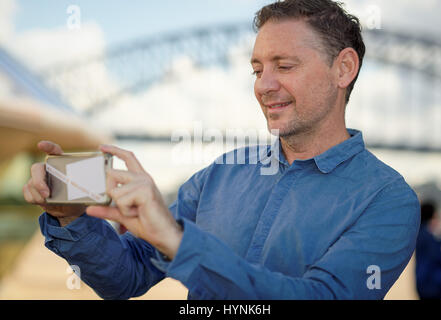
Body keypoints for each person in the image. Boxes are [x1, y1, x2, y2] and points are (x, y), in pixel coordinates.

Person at [23, 0, 420, 299]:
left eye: (284, 66)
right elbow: (125, 277)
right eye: (257, 69)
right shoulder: (222, 174)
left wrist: (179, 244)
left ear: (344, 68)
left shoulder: (388, 200)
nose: (263, 86)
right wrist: (69, 216)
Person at [415, 201, 441, 299]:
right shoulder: (426, 236)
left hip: (423, 282)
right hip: (431, 284)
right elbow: (435, 256)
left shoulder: (421, 233)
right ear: (433, 215)